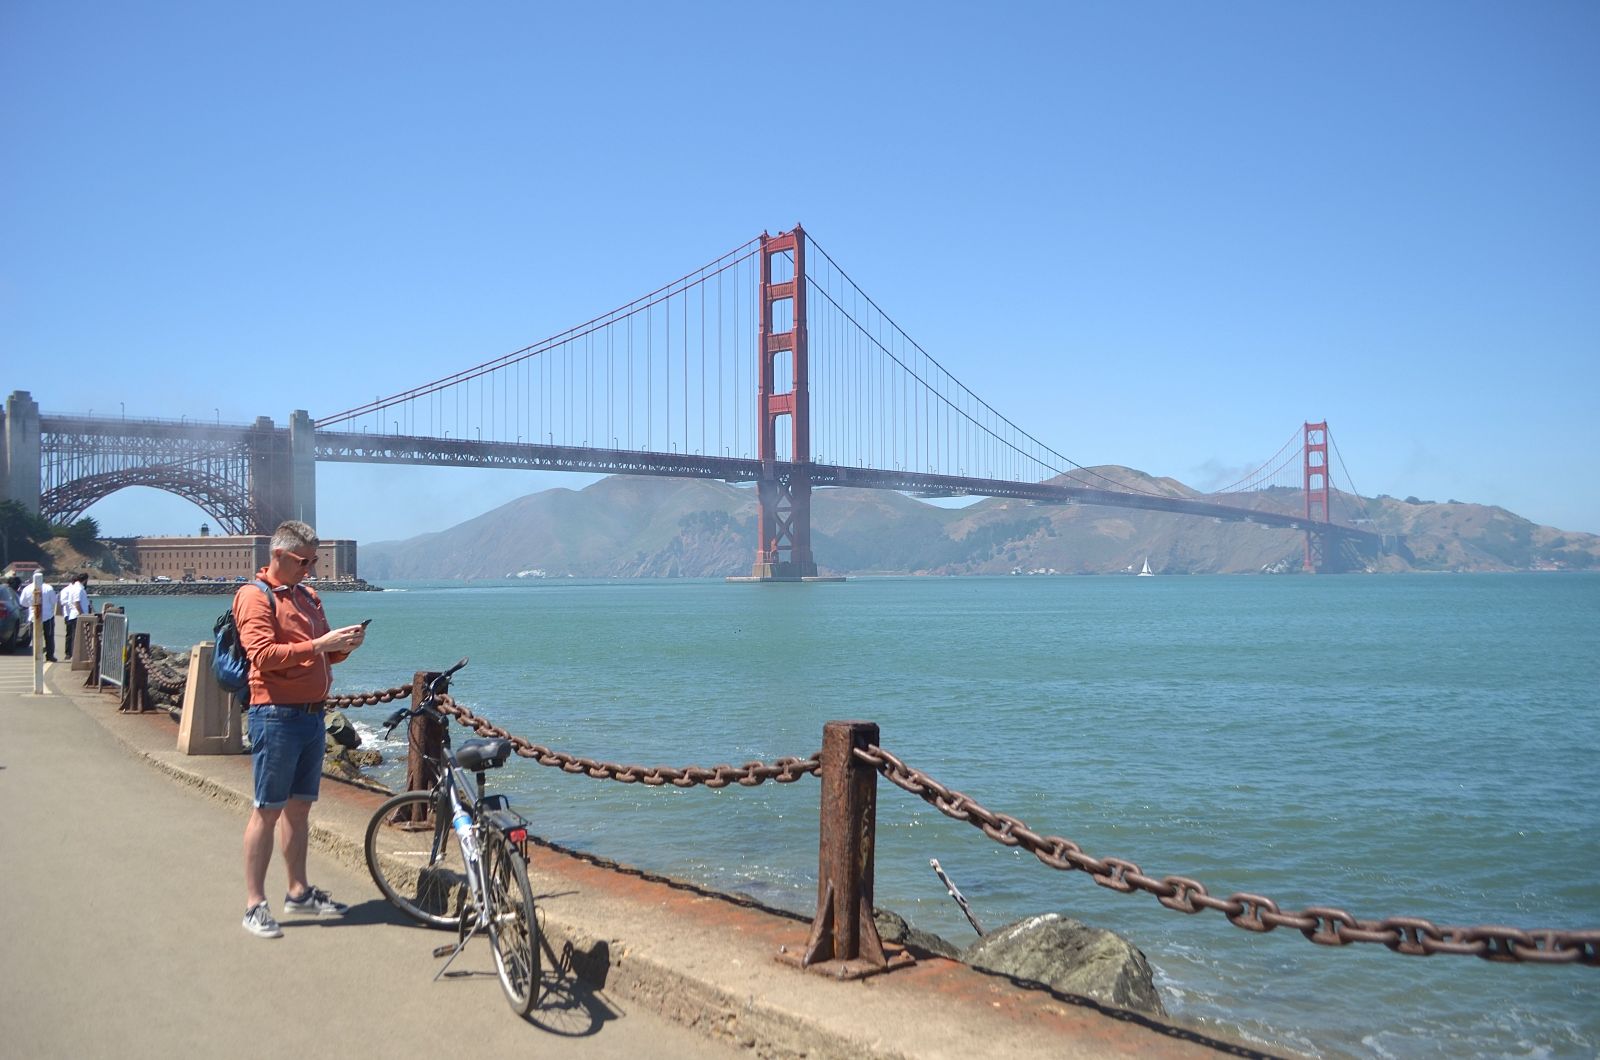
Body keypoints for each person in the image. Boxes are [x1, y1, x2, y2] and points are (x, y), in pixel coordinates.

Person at [236, 520, 366, 939]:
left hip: (312, 716)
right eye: (302, 561)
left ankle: (298, 891)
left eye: (314, 561)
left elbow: (321, 659)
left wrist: (342, 646)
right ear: (278, 555)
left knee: (299, 807)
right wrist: (319, 645)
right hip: (274, 715)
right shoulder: (253, 597)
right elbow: (263, 656)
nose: (309, 569)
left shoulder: (308, 595)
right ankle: (254, 904)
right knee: (267, 809)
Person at [19, 576, 60, 662]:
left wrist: (31, 605)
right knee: (49, 636)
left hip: (33, 616)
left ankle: (36, 655)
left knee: (35, 637)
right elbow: (54, 601)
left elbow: (22, 602)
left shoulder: (27, 588)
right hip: (47, 616)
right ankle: (50, 655)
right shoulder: (48, 588)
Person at [60, 573, 91, 660]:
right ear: (85, 580)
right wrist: (82, 614)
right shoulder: (78, 589)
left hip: (74, 615)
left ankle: (73, 654)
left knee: (74, 635)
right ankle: (74, 655)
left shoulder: (75, 588)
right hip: (77, 616)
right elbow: (76, 603)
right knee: (76, 636)